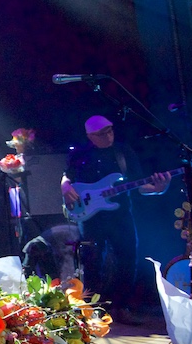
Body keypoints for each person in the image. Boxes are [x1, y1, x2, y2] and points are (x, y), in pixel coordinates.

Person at [60, 115, 171, 324]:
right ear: (90, 136)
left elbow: (139, 186)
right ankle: (91, 310)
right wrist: (65, 187)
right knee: (92, 261)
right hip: (91, 216)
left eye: (110, 131)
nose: (108, 136)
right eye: (102, 134)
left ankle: (122, 307)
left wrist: (158, 189)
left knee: (128, 258)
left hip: (120, 215)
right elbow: (67, 175)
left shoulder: (123, 152)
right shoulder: (80, 154)